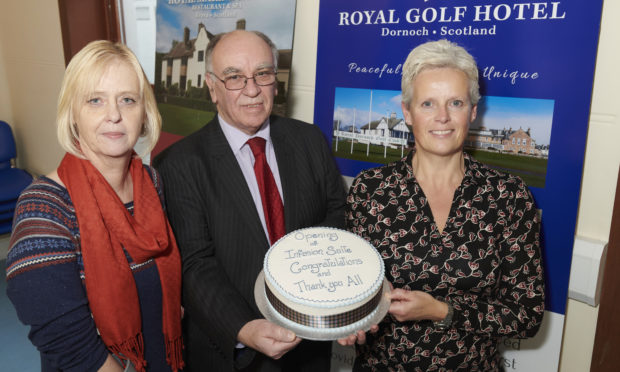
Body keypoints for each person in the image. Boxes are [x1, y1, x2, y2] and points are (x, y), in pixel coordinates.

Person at [344, 39, 545, 371]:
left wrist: (441, 310)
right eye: (427, 104)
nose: (442, 117)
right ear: (407, 112)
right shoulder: (370, 190)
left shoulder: (508, 196)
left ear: (473, 111)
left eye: (455, 102)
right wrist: (354, 322)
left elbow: (526, 316)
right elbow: (353, 291)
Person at [153, 30, 346, 372]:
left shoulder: (310, 141)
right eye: (234, 77)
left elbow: (336, 219)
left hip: (311, 346)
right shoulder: (179, 164)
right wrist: (244, 328)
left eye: (262, 74)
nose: (252, 89)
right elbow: (195, 263)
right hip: (234, 352)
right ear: (212, 86)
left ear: (276, 80)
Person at [5, 40, 184, 372]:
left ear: (144, 113)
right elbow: (66, 340)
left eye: (127, 100)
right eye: (95, 100)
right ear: (73, 113)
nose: (114, 115)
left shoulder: (152, 183)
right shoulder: (44, 209)